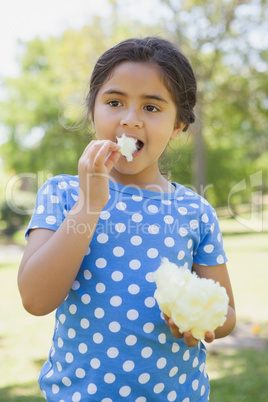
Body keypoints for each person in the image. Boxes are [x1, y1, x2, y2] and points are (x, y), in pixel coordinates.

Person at [18, 37, 236, 402]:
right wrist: (89, 205)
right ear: (93, 112)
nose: (130, 119)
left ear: (178, 125)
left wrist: (201, 321)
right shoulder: (63, 194)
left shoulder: (195, 212)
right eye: (114, 102)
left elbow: (227, 313)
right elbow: (36, 300)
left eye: (152, 107)